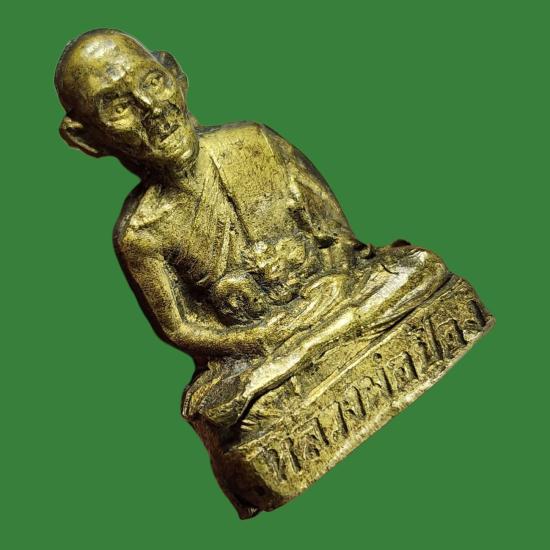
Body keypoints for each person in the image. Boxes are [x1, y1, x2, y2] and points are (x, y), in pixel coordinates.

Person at [55, 29, 449, 428]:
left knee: (420, 266)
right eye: (119, 106)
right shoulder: (141, 233)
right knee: (230, 413)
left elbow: (338, 237)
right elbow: (180, 328)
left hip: (331, 297)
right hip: (261, 345)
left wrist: (332, 281)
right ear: (86, 138)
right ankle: (318, 347)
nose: (152, 109)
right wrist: (259, 338)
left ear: (175, 74)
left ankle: (314, 347)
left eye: (153, 82)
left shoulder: (254, 141)